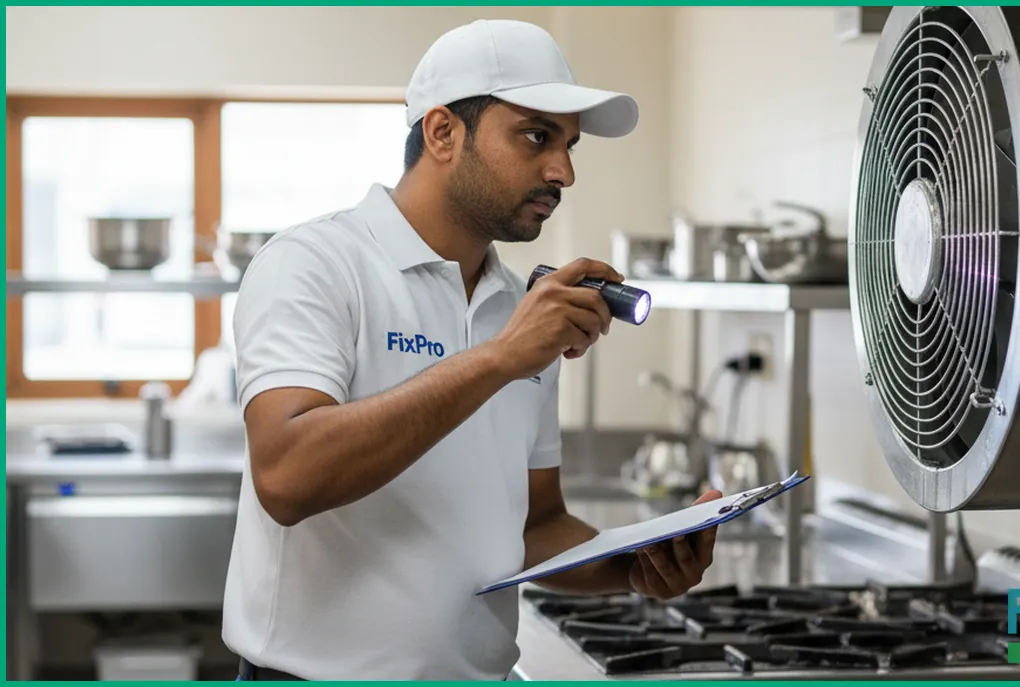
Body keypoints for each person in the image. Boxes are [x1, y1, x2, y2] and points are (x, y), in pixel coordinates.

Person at [221, 18, 721, 681]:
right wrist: (499, 358)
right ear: (442, 133)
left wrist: (633, 564)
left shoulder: (520, 309)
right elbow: (286, 476)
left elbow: (535, 524)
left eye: (570, 146)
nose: (563, 170)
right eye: (536, 136)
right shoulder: (313, 265)